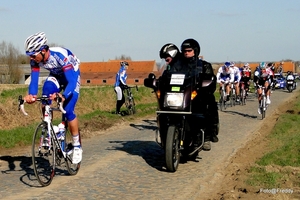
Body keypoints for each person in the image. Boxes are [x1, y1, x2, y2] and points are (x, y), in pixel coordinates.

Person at [24, 32, 82, 164]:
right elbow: (34, 81)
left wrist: (63, 95)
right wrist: (31, 96)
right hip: (56, 76)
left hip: (72, 77)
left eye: (33, 55)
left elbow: (71, 81)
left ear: (43, 51)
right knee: (46, 92)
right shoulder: (35, 60)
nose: (32, 58)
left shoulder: (60, 55)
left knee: (68, 109)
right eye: (29, 56)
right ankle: (47, 128)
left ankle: (76, 145)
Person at [179, 38, 219, 151]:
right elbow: (168, 76)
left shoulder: (204, 65)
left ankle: (206, 136)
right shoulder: (177, 65)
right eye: (184, 50)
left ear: (195, 51)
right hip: (181, 95)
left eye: (189, 50)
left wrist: (205, 86)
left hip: (197, 95)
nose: (186, 53)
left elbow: (210, 81)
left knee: (208, 104)